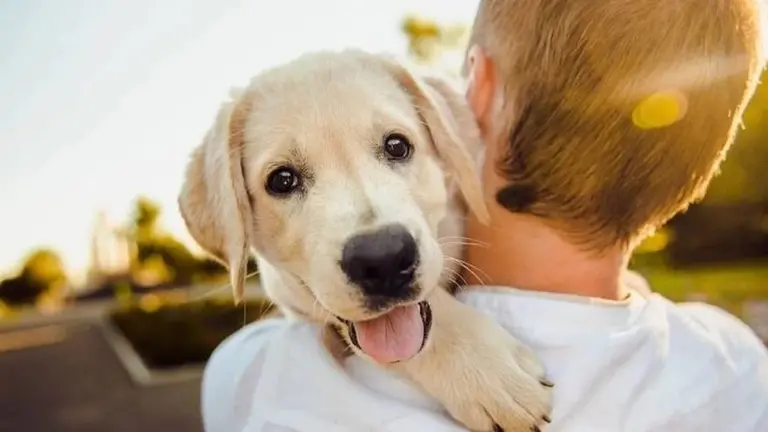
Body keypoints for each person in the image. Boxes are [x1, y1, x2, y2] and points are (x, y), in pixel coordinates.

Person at [201, 0, 768, 430]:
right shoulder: (737, 367)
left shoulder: (255, 382)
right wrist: (439, 337)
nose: (371, 235)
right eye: (286, 180)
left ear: (477, 90)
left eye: (395, 148)